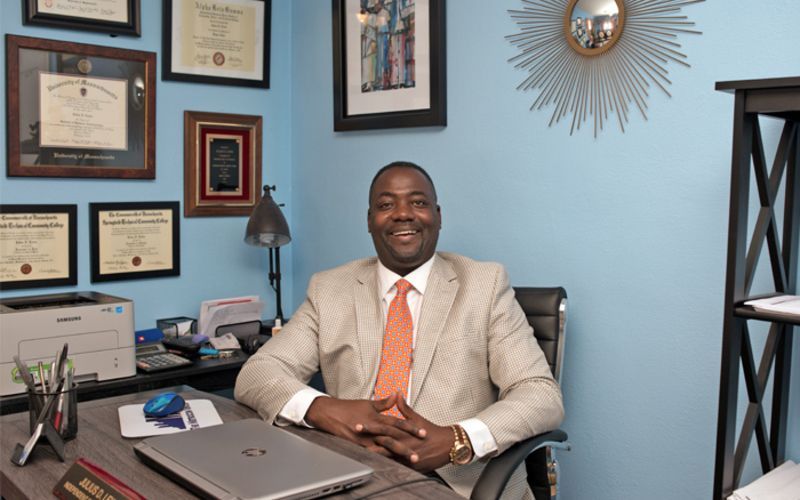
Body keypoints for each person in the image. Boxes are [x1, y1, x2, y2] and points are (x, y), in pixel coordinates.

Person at [235, 161, 564, 499]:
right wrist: (326, 410)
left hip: (456, 483)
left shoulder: (485, 285)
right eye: (386, 205)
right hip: (354, 476)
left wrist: (456, 439)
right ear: (369, 221)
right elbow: (257, 374)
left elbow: (540, 393)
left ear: (438, 216)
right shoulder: (329, 289)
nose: (403, 214)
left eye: (418, 202)